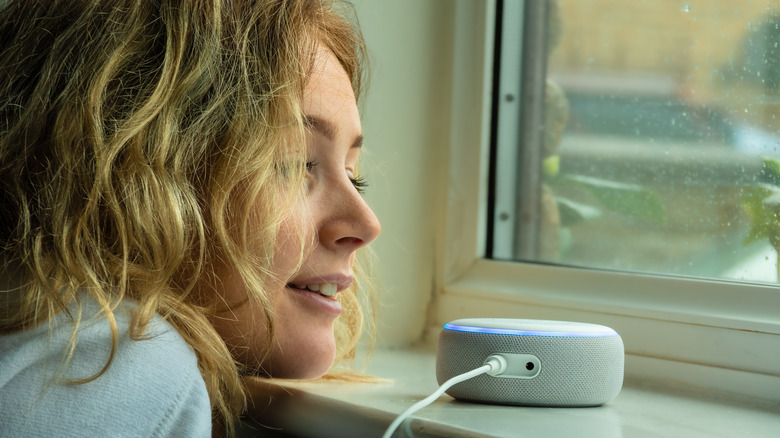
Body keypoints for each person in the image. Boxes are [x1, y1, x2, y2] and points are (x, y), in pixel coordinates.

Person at [0, 0, 380, 436]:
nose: (367, 223)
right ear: (134, 178)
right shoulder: (114, 363)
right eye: (295, 164)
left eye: (353, 176)